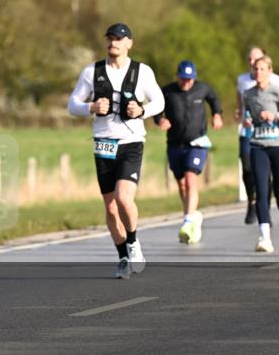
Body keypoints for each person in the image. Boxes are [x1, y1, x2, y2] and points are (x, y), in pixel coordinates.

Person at [68, 22, 165, 278]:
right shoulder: (92, 71)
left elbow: (159, 100)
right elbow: (72, 103)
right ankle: (122, 255)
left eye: (119, 39)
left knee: (124, 198)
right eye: (110, 38)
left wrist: (142, 111)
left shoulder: (142, 72)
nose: (114, 43)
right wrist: (90, 107)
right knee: (111, 207)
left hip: (131, 142)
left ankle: (133, 242)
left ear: (129, 43)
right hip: (103, 143)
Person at [155, 60, 223, 244]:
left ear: (194, 78)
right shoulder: (167, 91)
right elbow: (156, 108)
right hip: (175, 144)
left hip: (197, 143)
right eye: (183, 79)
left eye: (190, 79)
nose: (186, 82)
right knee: (182, 184)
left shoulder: (202, 88)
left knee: (191, 178)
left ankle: (187, 221)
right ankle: (192, 216)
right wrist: (160, 120)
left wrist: (217, 114)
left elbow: (214, 99)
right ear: (177, 76)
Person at [241, 55, 279, 253]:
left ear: (270, 71)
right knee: (261, 190)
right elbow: (248, 115)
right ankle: (264, 237)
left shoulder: (278, 91)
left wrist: (275, 116)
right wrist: (248, 121)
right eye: (255, 69)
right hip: (258, 145)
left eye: (262, 69)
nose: (258, 73)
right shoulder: (248, 94)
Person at [235, 47, 279, 224]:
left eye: (255, 60)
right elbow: (240, 97)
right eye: (249, 60)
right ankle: (252, 201)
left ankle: (264, 207)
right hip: (247, 131)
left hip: (270, 134)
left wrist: (278, 118)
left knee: (265, 174)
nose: (252, 63)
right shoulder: (242, 79)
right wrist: (240, 112)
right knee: (248, 169)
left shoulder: (276, 80)